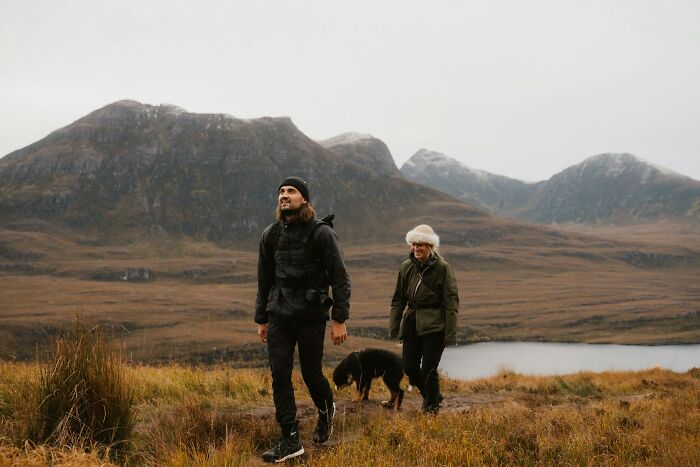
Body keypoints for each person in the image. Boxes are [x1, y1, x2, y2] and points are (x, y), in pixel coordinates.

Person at [255, 176, 350, 463]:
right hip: (279, 315)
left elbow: (340, 279)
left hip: (311, 316)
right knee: (280, 375)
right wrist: (262, 318)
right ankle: (290, 439)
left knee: (311, 374)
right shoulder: (270, 235)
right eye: (281, 191)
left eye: (291, 191)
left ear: (304, 199)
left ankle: (325, 410)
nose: (285, 195)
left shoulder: (321, 234)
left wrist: (339, 319)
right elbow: (264, 280)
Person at [389, 224, 459, 414]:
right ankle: (433, 395)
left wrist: (450, 334)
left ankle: (431, 407)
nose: (416, 248)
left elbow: (451, 303)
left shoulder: (443, 268)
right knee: (409, 367)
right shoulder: (406, 267)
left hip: (435, 326)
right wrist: (394, 326)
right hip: (412, 323)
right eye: (413, 244)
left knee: (429, 370)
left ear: (430, 246)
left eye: (420, 244)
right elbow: (398, 299)